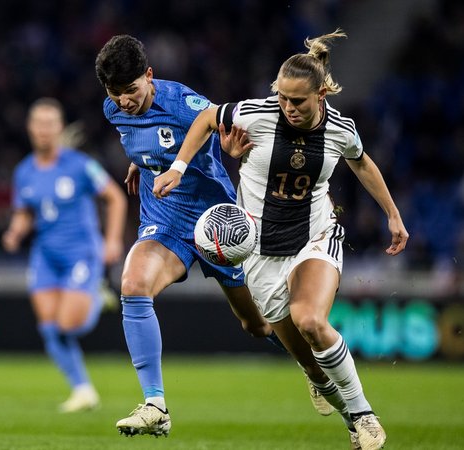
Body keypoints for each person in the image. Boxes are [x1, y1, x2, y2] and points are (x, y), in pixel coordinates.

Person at [153, 29, 409, 450]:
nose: (288, 107)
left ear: (322, 93)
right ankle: (343, 411)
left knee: (310, 319)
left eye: (298, 101)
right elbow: (205, 118)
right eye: (283, 98)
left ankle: (364, 414)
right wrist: (178, 167)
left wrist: (393, 216)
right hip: (259, 251)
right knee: (309, 362)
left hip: (314, 235)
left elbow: (362, 164)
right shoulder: (256, 114)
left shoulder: (341, 129)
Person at [95, 34, 350, 440]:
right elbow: (141, 139)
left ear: (149, 75)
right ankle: (155, 403)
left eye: (131, 90)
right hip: (164, 221)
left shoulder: (183, 103)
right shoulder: (113, 109)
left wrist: (231, 151)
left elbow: (228, 125)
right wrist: (140, 163)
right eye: (115, 93)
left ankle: (316, 373)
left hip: (219, 224)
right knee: (133, 283)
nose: (123, 101)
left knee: (258, 325)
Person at [2, 97, 128, 413]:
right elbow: (25, 212)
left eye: (50, 124)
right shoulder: (24, 172)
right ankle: (83, 390)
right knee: (49, 326)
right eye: (39, 124)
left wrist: (112, 240)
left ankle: (98, 296)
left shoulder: (80, 165)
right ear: (30, 129)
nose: (44, 130)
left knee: (68, 324)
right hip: (45, 255)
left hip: (81, 253)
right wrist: (16, 231)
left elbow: (115, 198)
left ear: (60, 128)